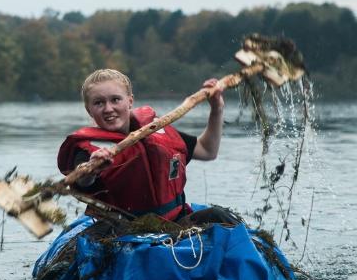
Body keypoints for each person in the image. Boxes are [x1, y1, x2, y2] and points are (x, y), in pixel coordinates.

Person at [57, 69, 242, 226]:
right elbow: (83, 181)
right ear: (89, 110)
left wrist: (217, 109)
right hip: (122, 231)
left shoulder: (157, 131)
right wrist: (91, 170)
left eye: (115, 100)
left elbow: (207, 151)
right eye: (99, 103)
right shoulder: (88, 150)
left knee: (218, 216)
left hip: (176, 223)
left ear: (130, 101)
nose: (108, 108)